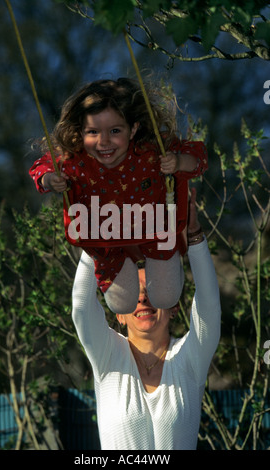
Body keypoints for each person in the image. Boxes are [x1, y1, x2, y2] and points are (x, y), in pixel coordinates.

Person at [29, 78, 208, 314]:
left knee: (165, 297)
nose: (103, 142)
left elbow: (198, 158)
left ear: (133, 128)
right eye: (93, 132)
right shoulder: (75, 160)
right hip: (106, 238)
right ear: (80, 132)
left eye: (115, 131)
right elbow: (41, 167)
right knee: (120, 304)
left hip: (154, 231)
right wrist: (50, 179)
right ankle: (115, 260)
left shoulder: (150, 149)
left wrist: (177, 161)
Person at [71, 188, 221, 450]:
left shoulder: (189, 357)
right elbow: (81, 308)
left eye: (151, 291)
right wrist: (95, 238)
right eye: (134, 295)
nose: (143, 300)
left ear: (173, 306)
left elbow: (209, 305)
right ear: (119, 314)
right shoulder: (107, 355)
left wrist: (194, 234)